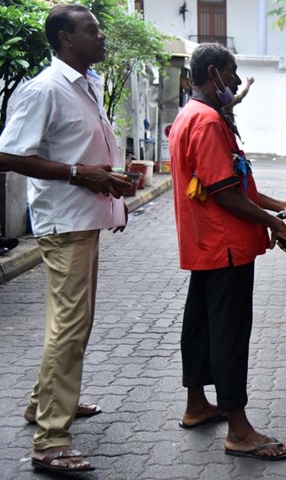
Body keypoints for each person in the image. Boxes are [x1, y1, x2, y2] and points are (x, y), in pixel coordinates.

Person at [0, 4, 131, 473]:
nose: (102, 36)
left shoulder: (87, 84)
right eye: (91, 30)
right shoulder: (45, 89)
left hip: (84, 219)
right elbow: (8, 155)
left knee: (71, 323)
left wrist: (111, 189)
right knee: (70, 328)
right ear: (65, 39)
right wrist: (81, 174)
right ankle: (50, 440)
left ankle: (43, 405)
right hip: (64, 224)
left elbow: (85, 155)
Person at [168, 42, 286, 461]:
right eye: (232, 71)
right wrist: (275, 224)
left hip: (204, 244)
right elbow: (226, 193)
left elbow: (233, 182)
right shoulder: (207, 121)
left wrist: (283, 207)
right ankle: (239, 431)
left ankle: (196, 404)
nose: (238, 81)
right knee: (228, 332)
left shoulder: (192, 115)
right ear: (213, 72)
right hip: (224, 245)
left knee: (201, 323)